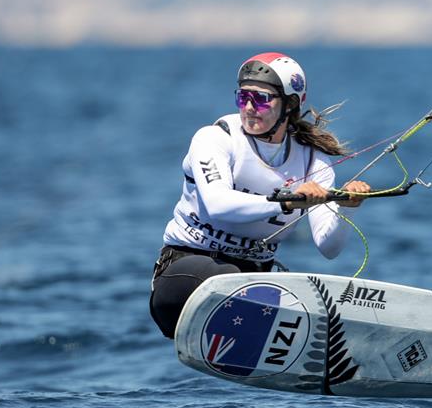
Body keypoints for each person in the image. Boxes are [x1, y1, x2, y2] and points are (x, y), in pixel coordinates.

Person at [149, 52, 371, 339]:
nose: (250, 107)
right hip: (184, 277)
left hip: (253, 283)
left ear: (290, 104)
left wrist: (348, 207)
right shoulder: (215, 138)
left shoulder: (313, 162)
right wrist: (284, 201)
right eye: (243, 97)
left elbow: (328, 248)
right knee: (233, 281)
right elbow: (217, 204)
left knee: (304, 304)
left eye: (262, 99)